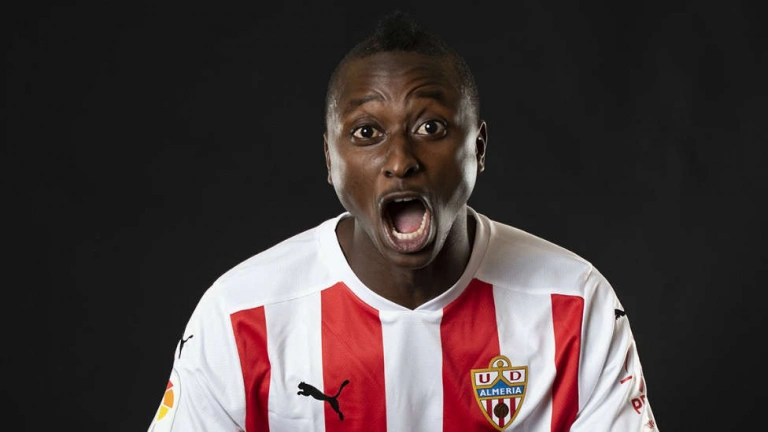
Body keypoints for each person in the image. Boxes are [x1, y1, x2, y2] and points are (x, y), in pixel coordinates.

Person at [147, 10, 658, 432]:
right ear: (330, 161)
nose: (400, 160)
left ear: (478, 148)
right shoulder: (240, 316)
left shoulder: (575, 304)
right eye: (367, 132)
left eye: (430, 127)